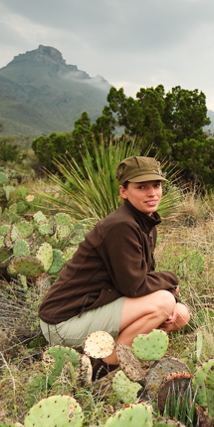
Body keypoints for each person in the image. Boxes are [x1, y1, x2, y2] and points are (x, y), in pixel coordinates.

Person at [38, 155, 190, 367]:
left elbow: (143, 279)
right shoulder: (121, 226)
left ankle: (118, 348)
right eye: (141, 187)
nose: (152, 193)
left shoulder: (144, 223)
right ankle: (102, 364)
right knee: (164, 303)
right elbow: (135, 287)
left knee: (180, 314)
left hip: (95, 308)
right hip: (63, 324)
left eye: (156, 185)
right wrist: (171, 281)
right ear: (124, 192)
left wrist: (168, 291)